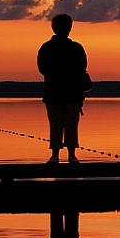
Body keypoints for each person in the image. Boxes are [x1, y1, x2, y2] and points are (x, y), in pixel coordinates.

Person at [37, 13, 89, 164]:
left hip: (53, 93)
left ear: (54, 28)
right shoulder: (76, 47)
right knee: (71, 124)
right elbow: (83, 66)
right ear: (69, 28)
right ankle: (72, 155)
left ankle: (54, 155)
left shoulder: (46, 48)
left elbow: (42, 68)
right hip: (73, 93)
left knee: (55, 124)